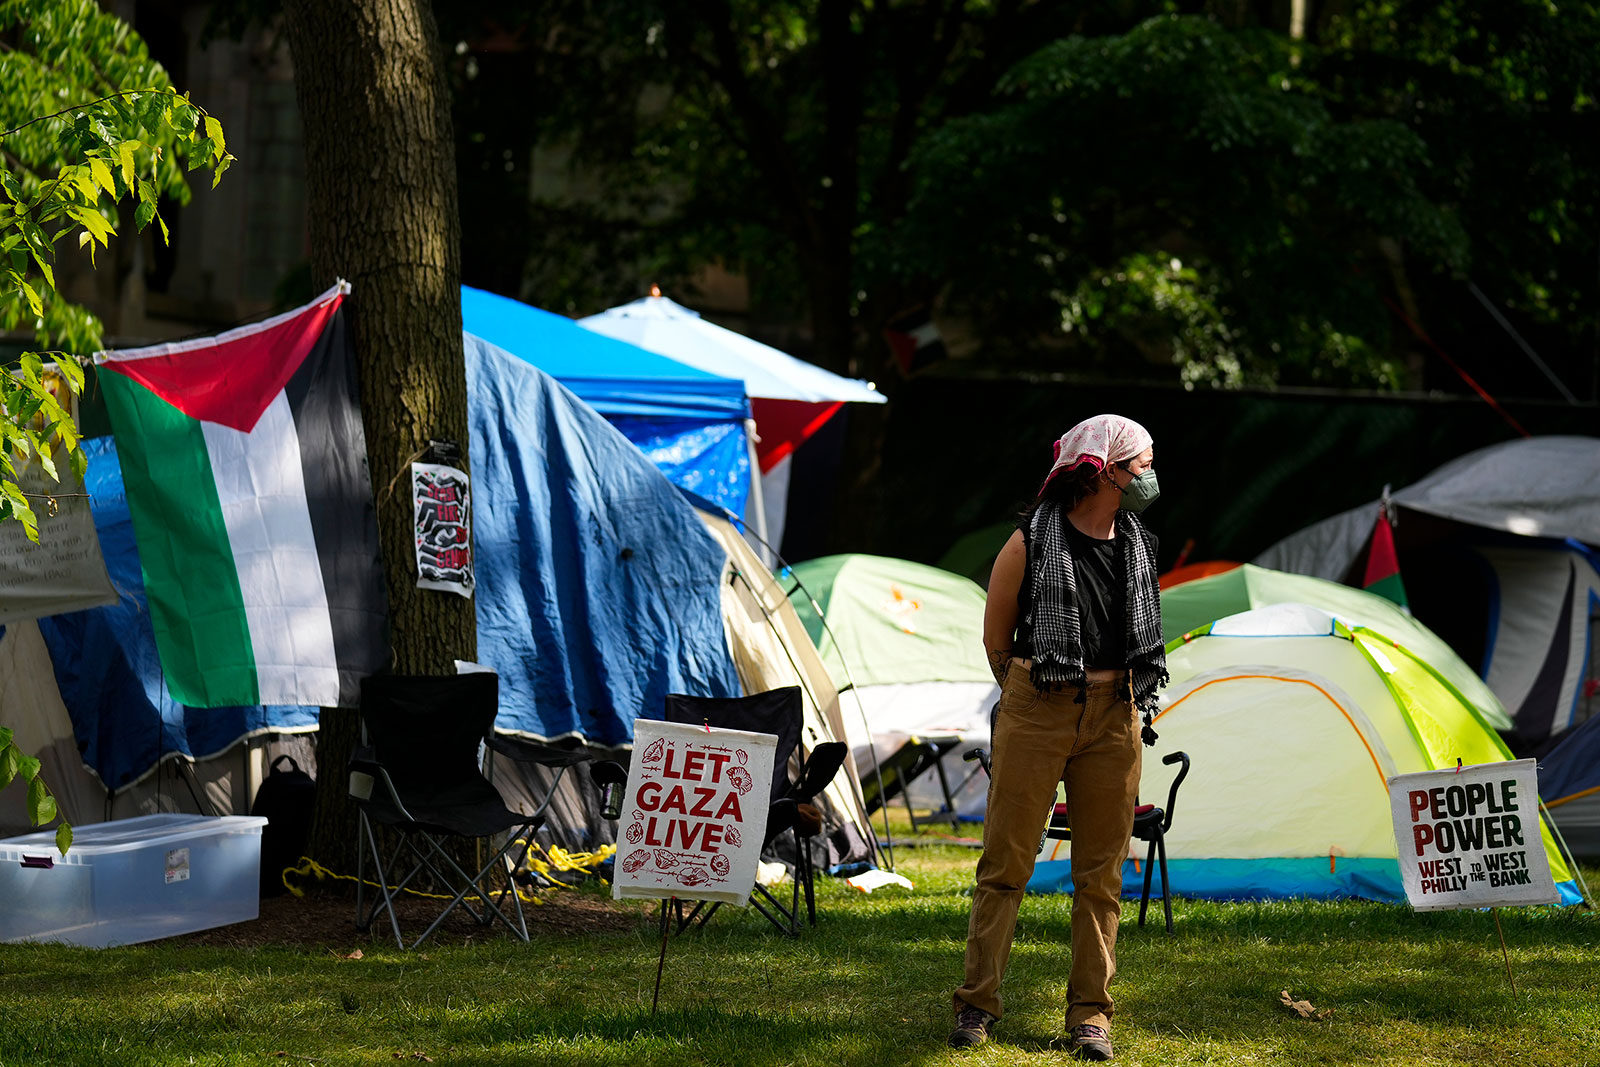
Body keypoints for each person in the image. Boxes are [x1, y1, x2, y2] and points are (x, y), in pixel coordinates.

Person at [949, 414, 1167, 1062]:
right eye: (1142, 466)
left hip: (1116, 711)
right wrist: (1032, 694)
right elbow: (996, 639)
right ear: (1102, 469)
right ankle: (975, 1003)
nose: (1150, 479)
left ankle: (1090, 1016)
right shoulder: (1030, 542)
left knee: (1100, 875)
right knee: (1006, 865)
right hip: (1037, 705)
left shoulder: (1139, 542)